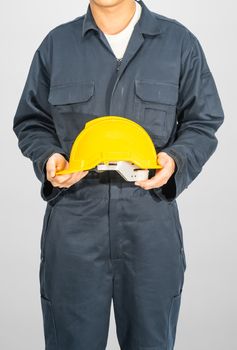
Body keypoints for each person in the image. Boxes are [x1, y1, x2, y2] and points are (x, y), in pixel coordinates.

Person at [12, 0, 224, 349]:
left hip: (150, 221)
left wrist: (174, 160)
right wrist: (49, 157)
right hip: (74, 223)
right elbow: (32, 121)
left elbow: (202, 122)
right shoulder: (57, 45)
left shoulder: (178, 43)